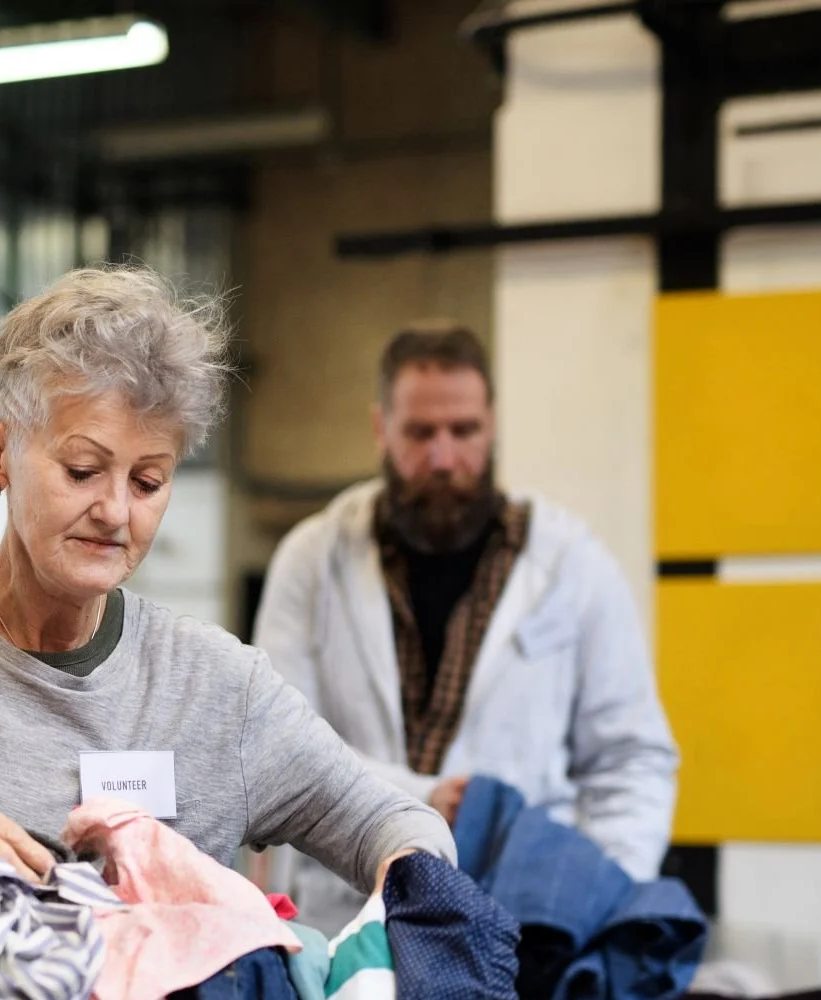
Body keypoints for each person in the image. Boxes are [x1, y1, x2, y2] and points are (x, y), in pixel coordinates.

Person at [0, 267, 454, 916]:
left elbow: (390, 822)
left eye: (148, 480)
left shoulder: (218, 690)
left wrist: (420, 900)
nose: (116, 510)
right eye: (82, 469)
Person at [254, 324, 677, 931]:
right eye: (421, 433)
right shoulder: (314, 559)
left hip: (523, 925)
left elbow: (633, 758)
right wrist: (421, 799)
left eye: (465, 431)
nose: (444, 458)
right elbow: (278, 745)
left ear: (494, 425)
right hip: (347, 912)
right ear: (381, 428)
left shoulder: (572, 565)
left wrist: (602, 898)